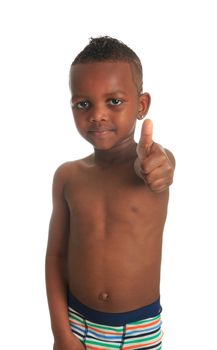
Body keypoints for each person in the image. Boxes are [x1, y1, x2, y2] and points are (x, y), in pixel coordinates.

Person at [45, 36, 175, 350]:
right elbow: (56, 257)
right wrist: (61, 333)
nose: (97, 114)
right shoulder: (68, 176)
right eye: (83, 104)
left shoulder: (150, 164)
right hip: (77, 324)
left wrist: (158, 166)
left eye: (114, 101)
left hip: (140, 330)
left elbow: (161, 168)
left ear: (141, 105)